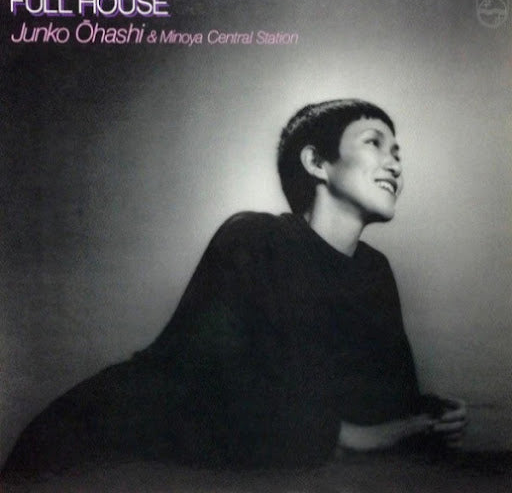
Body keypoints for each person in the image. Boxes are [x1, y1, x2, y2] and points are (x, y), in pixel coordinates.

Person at [2, 99, 467, 478]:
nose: (395, 163)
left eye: (398, 152)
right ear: (316, 162)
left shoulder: (374, 271)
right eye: (374, 143)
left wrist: (431, 417)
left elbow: (385, 399)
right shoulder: (253, 239)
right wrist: (361, 435)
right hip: (98, 443)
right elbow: (222, 392)